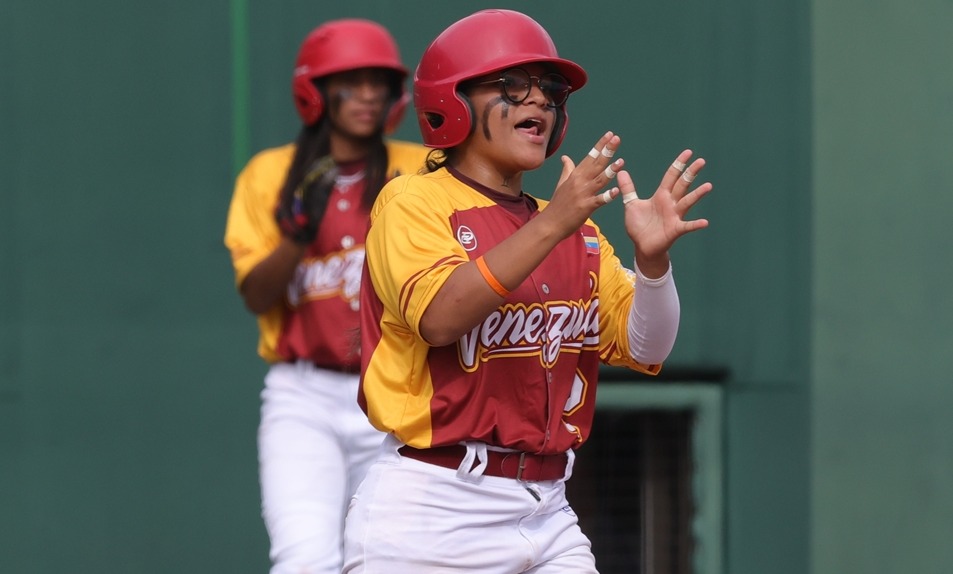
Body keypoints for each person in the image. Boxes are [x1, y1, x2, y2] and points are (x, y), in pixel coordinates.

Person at [342, 8, 712, 573]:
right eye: (512, 85)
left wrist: (652, 261)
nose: (539, 101)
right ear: (455, 101)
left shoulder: (571, 227)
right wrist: (553, 224)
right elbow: (440, 317)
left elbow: (646, 348)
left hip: (548, 509)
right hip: (434, 508)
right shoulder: (412, 201)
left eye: (550, 89)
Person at [223, 18, 429, 574]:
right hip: (303, 397)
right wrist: (296, 235)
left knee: (386, 561)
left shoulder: (420, 171)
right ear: (315, 91)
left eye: (377, 84)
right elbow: (256, 296)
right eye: (351, 82)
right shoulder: (271, 176)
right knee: (305, 559)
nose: (367, 96)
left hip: (393, 392)